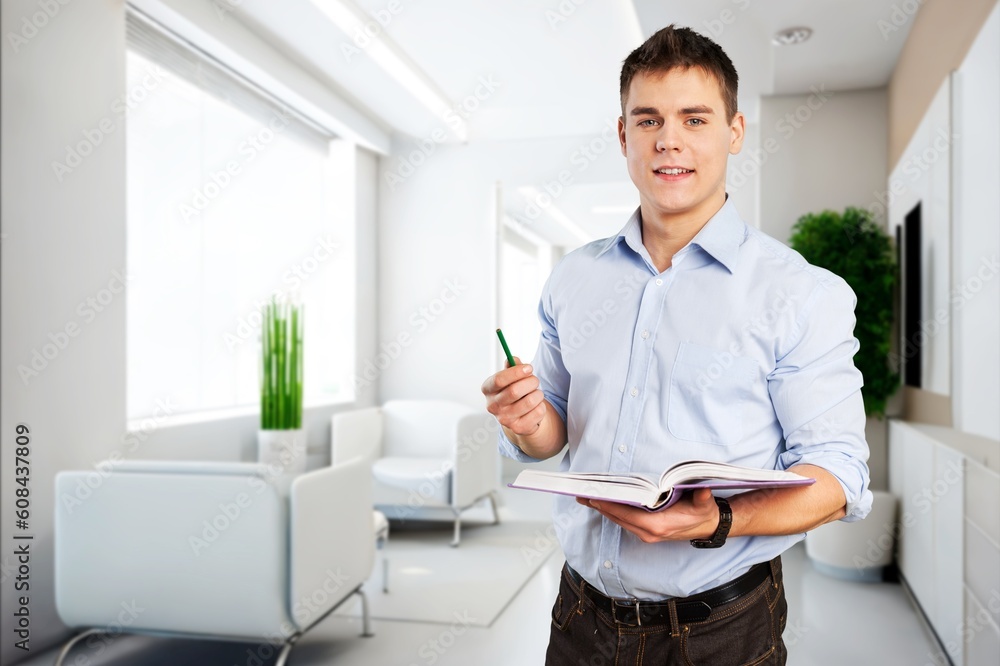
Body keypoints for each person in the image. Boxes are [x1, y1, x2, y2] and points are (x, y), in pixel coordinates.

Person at [481, 25, 872, 666]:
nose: (670, 140)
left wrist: (717, 520)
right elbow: (550, 435)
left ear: (734, 131)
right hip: (579, 615)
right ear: (623, 135)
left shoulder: (800, 293)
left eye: (695, 118)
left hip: (722, 628)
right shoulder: (573, 278)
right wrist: (527, 421)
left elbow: (837, 479)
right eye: (649, 119)